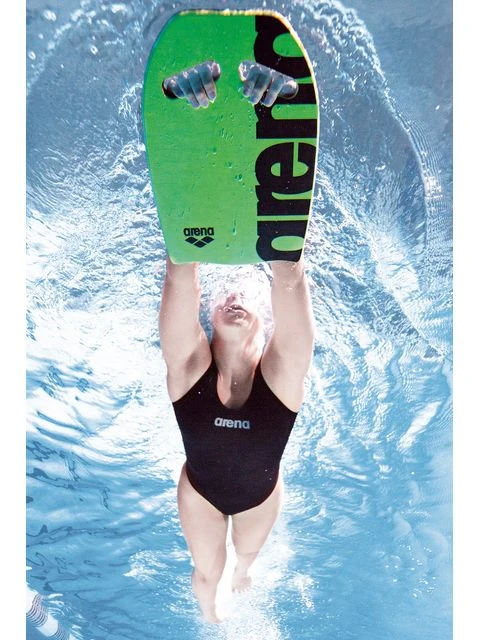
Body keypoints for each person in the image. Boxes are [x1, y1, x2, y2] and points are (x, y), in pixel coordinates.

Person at [159, 60, 314, 623]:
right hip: (201, 493)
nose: (234, 298)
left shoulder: (284, 373)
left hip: (256, 500)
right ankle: (212, 624)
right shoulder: (187, 366)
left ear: (265, 331)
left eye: (245, 301)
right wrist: (255, 120)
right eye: (225, 298)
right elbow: (183, 267)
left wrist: (196, 132)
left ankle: (243, 579)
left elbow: (288, 274)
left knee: (243, 563)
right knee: (209, 574)